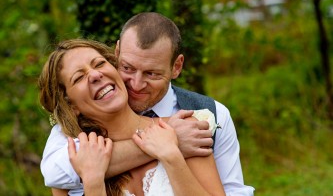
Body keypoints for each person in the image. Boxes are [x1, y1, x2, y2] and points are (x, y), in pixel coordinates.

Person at [40, 12, 254, 195]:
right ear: (117, 56)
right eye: (128, 68)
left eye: (151, 73)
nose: (136, 83)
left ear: (176, 67)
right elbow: (53, 172)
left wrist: (172, 154)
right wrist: (94, 181)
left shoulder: (191, 124)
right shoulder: (72, 146)